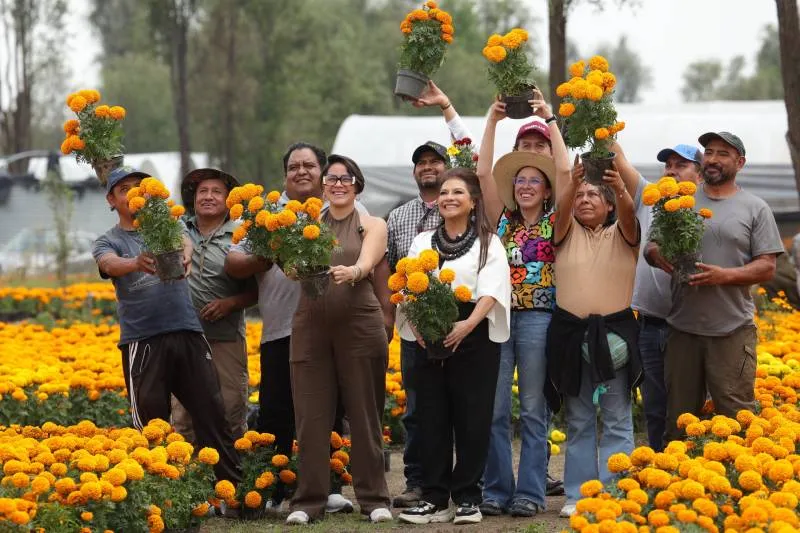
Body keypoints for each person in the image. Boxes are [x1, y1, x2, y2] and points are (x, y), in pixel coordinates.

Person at [224, 142, 356, 513]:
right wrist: (266, 253)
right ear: (285, 175)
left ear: (323, 171)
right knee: (277, 411)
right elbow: (233, 261)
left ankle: (330, 487)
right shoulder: (265, 214)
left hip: (332, 329)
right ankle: (279, 489)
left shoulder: (340, 209)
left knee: (330, 411)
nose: (302, 172)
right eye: (294, 166)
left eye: (309, 166)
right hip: (281, 329)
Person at [91, 166, 240, 483]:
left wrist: (184, 256)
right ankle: (160, 497)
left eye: (138, 188)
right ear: (111, 200)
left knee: (213, 414)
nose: (133, 194)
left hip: (188, 331)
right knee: (150, 424)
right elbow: (108, 263)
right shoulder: (109, 240)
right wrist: (134, 263)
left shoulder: (166, 226)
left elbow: (183, 241)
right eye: (124, 189)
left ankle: (233, 491)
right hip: (143, 341)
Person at [646, 132, 783, 442]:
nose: (713, 159)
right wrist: (656, 255)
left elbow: (767, 266)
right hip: (682, 330)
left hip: (731, 331)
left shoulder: (755, 208)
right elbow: (650, 246)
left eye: (723, 153)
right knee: (679, 424)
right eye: (709, 152)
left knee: (736, 421)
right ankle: (680, 487)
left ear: (740, 162)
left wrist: (725, 275)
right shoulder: (680, 201)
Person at [472, 91, 569, 518]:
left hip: (539, 320)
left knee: (533, 409)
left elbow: (565, 167)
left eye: (535, 180)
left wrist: (550, 119)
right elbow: (482, 174)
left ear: (546, 189)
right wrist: (493, 121)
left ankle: (529, 491)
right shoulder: (502, 219)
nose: (525, 185)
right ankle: (495, 490)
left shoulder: (556, 218)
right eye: (520, 180)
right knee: (493, 409)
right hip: (499, 318)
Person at [397, 168, 511, 526]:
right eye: (444, 192)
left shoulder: (489, 242)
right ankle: (434, 497)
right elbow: (408, 285)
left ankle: (467, 498)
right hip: (427, 335)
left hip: (473, 333)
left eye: (457, 192)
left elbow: (492, 289)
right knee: (431, 417)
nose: (449, 197)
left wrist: (468, 325)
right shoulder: (422, 241)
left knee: (473, 419)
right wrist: (418, 328)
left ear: (473, 200)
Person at [285, 154, 391, 525]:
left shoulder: (372, 223)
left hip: (359, 325)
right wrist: (292, 265)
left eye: (346, 178)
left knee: (364, 413)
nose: (338, 184)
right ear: (323, 185)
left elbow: (369, 259)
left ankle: (374, 498)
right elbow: (293, 266)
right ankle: (308, 500)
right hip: (311, 326)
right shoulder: (306, 223)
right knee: (311, 416)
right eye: (331, 178)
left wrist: (356, 270)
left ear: (357, 184)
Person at [547, 157, 641, 518]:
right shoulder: (564, 233)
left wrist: (619, 187)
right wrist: (573, 181)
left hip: (615, 339)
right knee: (579, 418)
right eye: (581, 195)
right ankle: (578, 494)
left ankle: (616, 493)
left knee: (617, 417)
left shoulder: (624, 233)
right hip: (572, 337)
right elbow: (562, 208)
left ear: (608, 206)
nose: (585, 199)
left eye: (593, 195)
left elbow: (631, 216)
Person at [619, 144, 702, 452]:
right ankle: (658, 469)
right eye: (668, 164)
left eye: (681, 165)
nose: (671, 170)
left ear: (700, 175)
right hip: (650, 325)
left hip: (692, 327)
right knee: (654, 407)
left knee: (690, 409)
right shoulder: (649, 199)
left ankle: (691, 472)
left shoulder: (708, 208)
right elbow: (617, 155)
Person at [170, 168, 258, 444]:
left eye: (216, 192)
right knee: (182, 413)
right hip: (184, 335)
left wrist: (230, 303)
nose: (208, 197)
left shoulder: (242, 236)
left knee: (230, 407)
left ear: (229, 199)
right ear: (193, 198)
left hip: (226, 337)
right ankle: (186, 480)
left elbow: (256, 292)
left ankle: (232, 478)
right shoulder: (176, 230)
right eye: (203, 192)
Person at [385, 139, 450, 508]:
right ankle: (416, 482)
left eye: (435, 161)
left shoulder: (462, 208)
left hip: (459, 324)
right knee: (416, 409)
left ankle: (457, 481)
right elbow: (392, 269)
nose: (428, 167)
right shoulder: (398, 216)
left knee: (458, 405)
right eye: (421, 162)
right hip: (413, 328)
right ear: (414, 173)